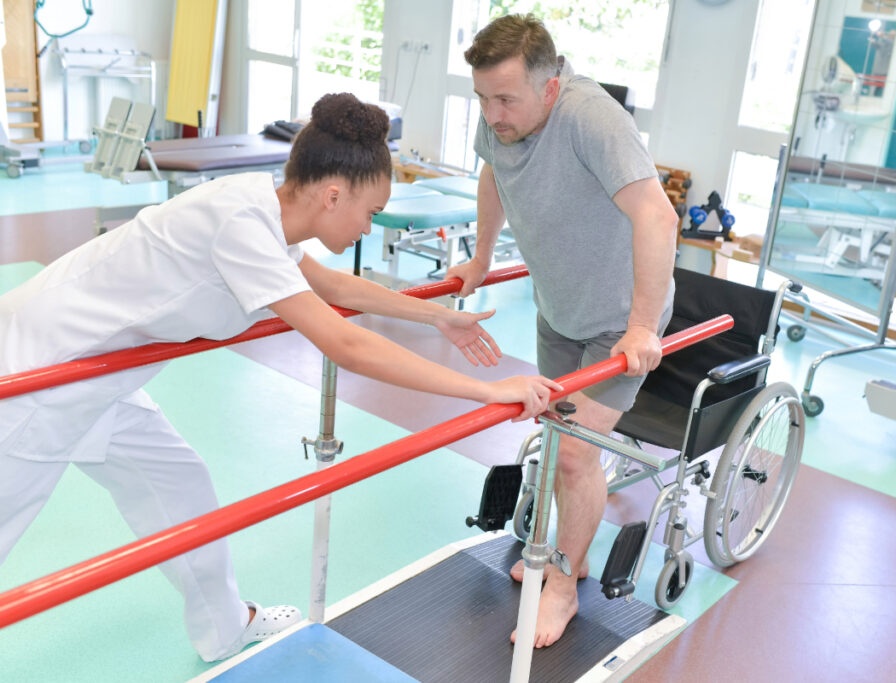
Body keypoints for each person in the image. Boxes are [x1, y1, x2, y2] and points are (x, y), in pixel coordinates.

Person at [0, 93, 561, 662]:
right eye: (370, 212)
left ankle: (224, 625)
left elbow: (335, 287)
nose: (369, 226)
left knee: (179, 485)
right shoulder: (242, 225)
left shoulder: (262, 211)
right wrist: (487, 391)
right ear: (333, 194)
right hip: (37, 375)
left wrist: (438, 315)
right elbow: (343, 343)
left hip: (98, 378)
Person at [447, 14, 679, 648]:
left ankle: (565, 587)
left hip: (614, 322)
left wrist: (639, 327)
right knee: (554, 442)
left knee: (576, 454)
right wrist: (483, 257)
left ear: (550, 87)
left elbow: (659, 218)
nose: (493, 114)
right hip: (559, 310)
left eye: (506, 100)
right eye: (483, 99)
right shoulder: (500, 116)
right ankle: (558, 555)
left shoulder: (591, 119)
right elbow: (492, 173)